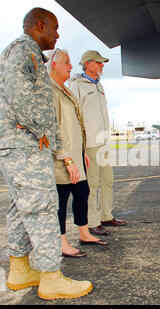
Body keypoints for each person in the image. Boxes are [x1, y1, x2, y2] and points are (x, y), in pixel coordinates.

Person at [0, 7, 92, 300]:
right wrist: (41, 129)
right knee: (42, 208)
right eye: (54, 27)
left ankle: (19, 269)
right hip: (26, 145)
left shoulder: (21, 52)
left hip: (19, 144)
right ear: (39, 26)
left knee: (20, 207)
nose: (57, 34)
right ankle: (51, 276)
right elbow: (19, 95)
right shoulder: (24, 51)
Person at [48, 49, 109, 258]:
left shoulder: (65, 90)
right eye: (66, 62)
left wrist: (81, 152)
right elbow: (53, 128)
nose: (70, 66)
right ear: (53, 65)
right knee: (62, 200)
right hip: (62, 159)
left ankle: (84, 233)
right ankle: (62, 242)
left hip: (76, 154)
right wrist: (66, 158)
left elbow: (79, 124)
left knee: (82, 192)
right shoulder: (51, 91)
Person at [69, 50, 126, 236]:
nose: (102, 65)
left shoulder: (99, 85)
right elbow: (75, 116)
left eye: (103, 63)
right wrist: (81, 146)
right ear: (87, 63)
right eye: (99, 62)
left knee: (108, 180)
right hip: (90, 144)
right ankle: (92, 222)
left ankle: (106, 215)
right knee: (92, 185)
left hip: (103, 143)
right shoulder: (77, 85)